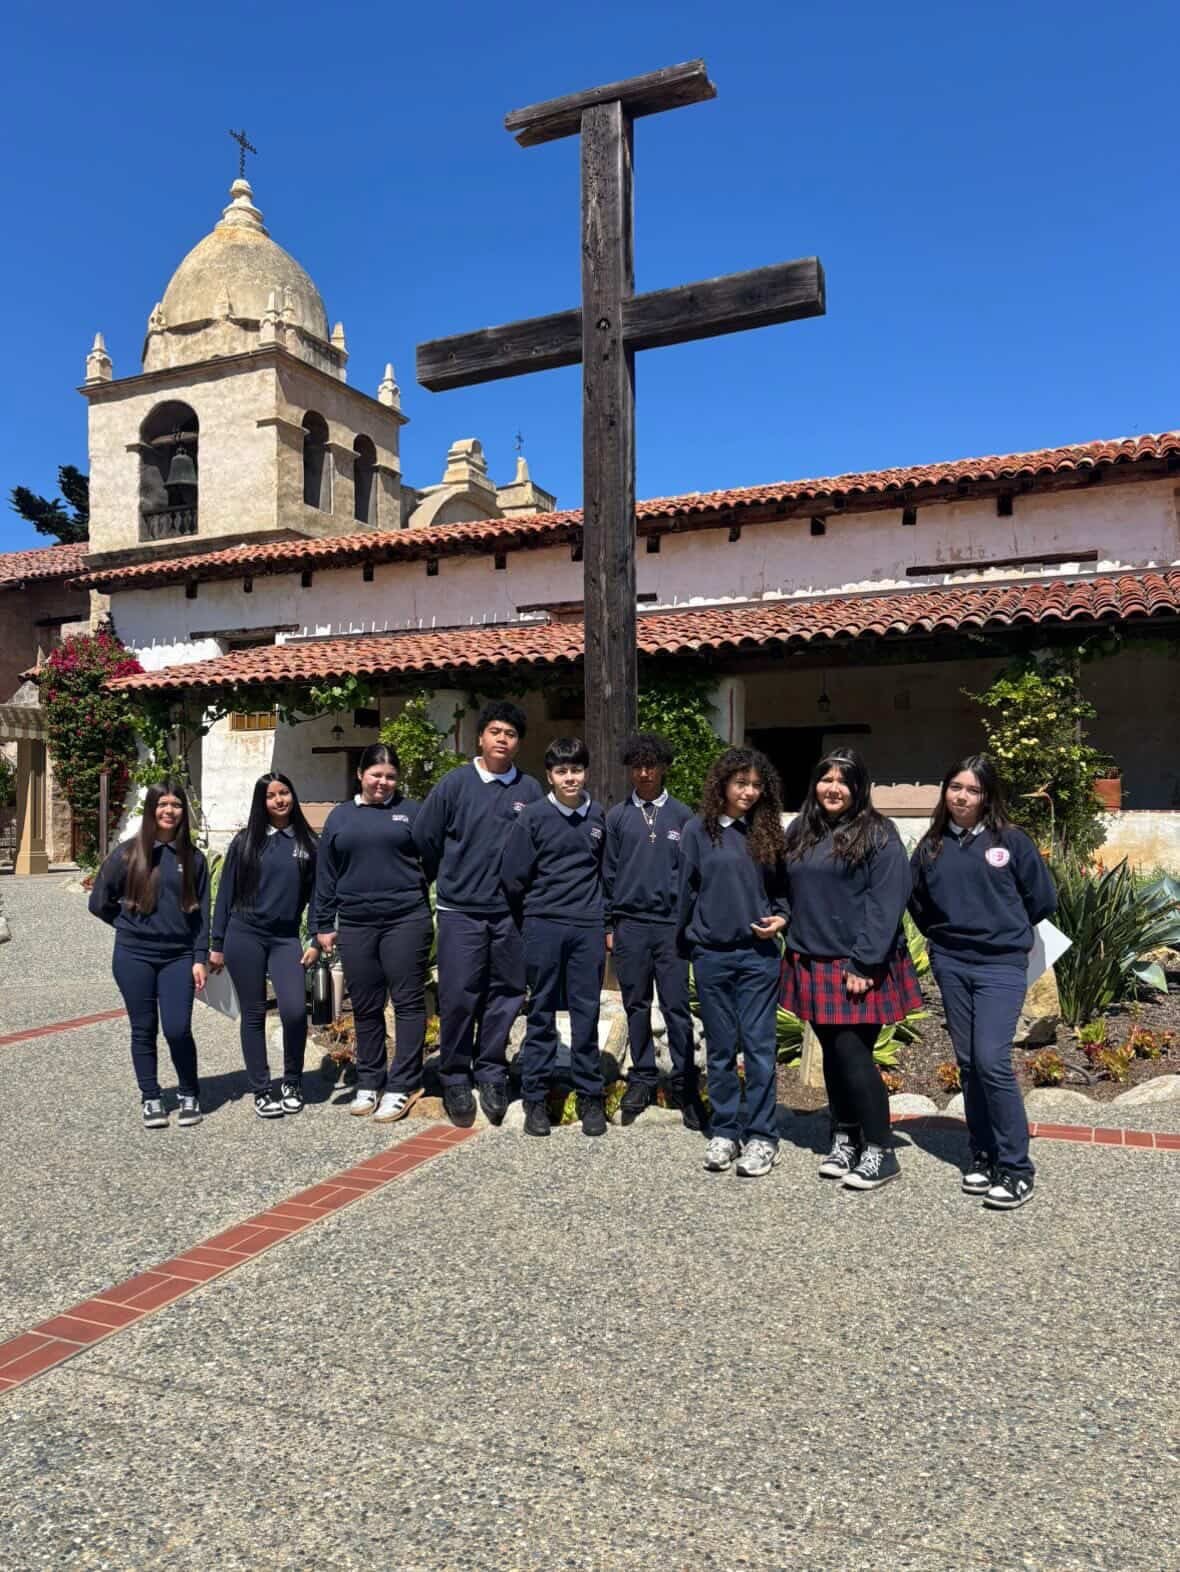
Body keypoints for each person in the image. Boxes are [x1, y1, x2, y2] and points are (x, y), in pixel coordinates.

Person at [909, 754, 1057, 1211]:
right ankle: (983, 1152)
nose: (962, 796)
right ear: (945, 790)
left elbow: (1042, 899)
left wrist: (1001, 932)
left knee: (992, 1061)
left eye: (972, 790)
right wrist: (943, 936)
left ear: (987, 795)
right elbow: (917, 902)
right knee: (969, 1063)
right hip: (952, 963)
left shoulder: (1011, 841)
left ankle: (1016, 1168)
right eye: (955, 787)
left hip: (1001, 967)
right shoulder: (931, 845)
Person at [781, 749, 919, 1192]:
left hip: (857, 964)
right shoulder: (801, 830)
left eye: (844, 780)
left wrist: (865, 961)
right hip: (812, 957)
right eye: (826, 779)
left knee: (854, 1057)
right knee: (833, 1057)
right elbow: (784, 886)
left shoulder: (878, 833)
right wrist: (779, 916)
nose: (833, 788)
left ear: (859, 788)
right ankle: (845, 1135)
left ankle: (881, 1149)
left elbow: (887, 900)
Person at [413, 701, 542, 1127]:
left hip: (510, 914)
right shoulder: (455, 784)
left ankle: (491, 1072)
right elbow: (425, 837)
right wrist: (449, 878)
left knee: (506, 993)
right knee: (458, 996)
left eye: (510, 733)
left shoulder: (529, 791)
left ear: (517, 743)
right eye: (495, 731)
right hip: (460, 911)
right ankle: (453, 1074)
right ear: (480, 737)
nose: (502, 739)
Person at [677, 747, 788, 1177]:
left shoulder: (768, 832)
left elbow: (783, 894)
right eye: (742, 783)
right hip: (711, 957)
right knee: (721, 1050)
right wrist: (688, 941)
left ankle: (763, 1137)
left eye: (757, 785)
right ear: (722, 784)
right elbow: (684, 892)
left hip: (758, 957)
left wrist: (782, 919)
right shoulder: (697, 832)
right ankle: (725, 1130)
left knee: (759, 1049)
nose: (749, 792)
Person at [313, 743, 432, 1123]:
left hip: (405, 920)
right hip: (356, 922)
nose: (382, 782)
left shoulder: (412, 813)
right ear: (360, 775)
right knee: (365, 1005)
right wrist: (322, 924)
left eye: (390, 776)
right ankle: (370, 1079)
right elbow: (326, 874)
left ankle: (404, 1084)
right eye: (376, 775)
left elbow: (433, 859)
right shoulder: (340, 817)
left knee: (408, 1003)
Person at [500, 737, 608, 1137]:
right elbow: (512, 876)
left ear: (585, 772)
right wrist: (533, 915)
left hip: (587, 926)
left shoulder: (598, 816)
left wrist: (602, 919)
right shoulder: (532, 817)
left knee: (586, 1014)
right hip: (543, 925)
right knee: (541, 1012)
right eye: (562, 771)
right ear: (550, 775)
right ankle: (536, 1099)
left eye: (576, 770)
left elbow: (603, 872)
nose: (570, 778)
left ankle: (590, 1097)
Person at [88, 777, 210, 1130]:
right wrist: (129, 927)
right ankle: (151, 1097)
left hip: (178, 957)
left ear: (183, 811)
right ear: (151, 809)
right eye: (162, 804)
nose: (169, 811)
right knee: (143, 1029)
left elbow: (203, 914)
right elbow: (99, 902)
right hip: (133, 956)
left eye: (176, 805)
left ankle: (189, 1092)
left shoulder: (193, 858)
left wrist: (199, 956)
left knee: (177, 1028)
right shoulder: (127, 854)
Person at [603, 732, 700, 1128]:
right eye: (637, 766)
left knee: (676, 1008)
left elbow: (694, 876)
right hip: (629, 926)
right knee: (636, 1004)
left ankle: (684, 1082)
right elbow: (607, 875)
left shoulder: (683, 816)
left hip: (671, 928)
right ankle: (641, 1077)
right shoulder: (617, 817)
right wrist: (609, 924)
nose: (644, 773)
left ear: (663, 767)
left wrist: (689, 924)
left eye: (651, 765)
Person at [208, 773, 320, 1119]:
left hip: (285, 937)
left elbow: (318, 895)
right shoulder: (245, 842)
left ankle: (292, 1081)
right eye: (271, 795)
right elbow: (225, 894)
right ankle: (261, 1088)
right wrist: (216, 943)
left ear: (293, 795)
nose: (279, 800)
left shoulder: (307, 843)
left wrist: (315, 937)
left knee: (294, 1011)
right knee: (254, 1013)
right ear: (262, 801)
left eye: (284, 792)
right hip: (245, 935)